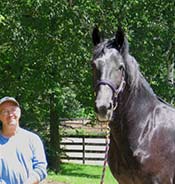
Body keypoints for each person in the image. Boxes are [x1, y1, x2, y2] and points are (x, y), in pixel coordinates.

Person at [0, 96, 47, 184]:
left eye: (13, 110)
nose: (10, 114)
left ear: (19, 112)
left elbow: (41, 168)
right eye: (5, 111)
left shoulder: (33, 139)